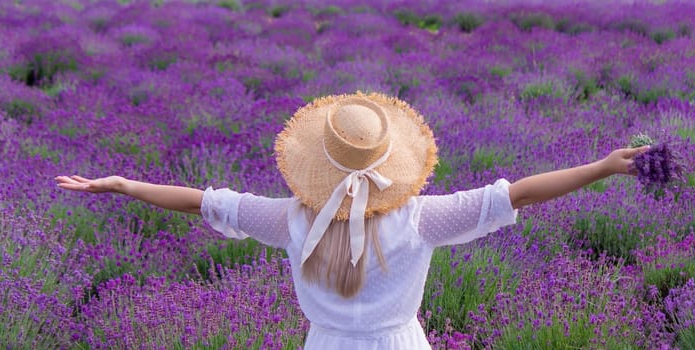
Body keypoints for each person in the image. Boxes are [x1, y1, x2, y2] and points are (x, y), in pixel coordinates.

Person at [55, 92, 648, 349]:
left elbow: (205, 202)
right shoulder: (420, 218)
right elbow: (513, 196)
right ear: (391, 164)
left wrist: (125, 185)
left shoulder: (289, 220)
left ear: (317, 165)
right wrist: (602, 166)